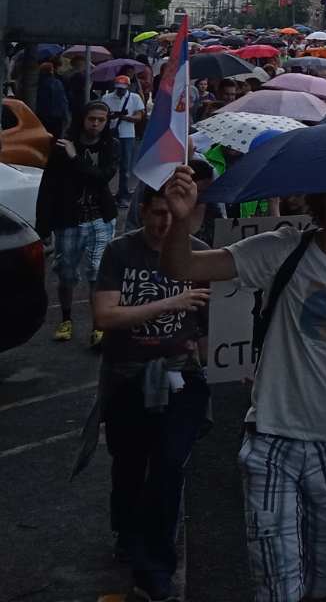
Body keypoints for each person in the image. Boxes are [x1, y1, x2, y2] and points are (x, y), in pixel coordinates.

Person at [159, 167, 326, 602]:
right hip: (272, 438)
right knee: (277, 584)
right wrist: (181, 220)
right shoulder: (282, 251)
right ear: (318, 199)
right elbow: (182, 265)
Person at [91, 177, 211, 602]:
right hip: (129, 377)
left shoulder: (197, 252)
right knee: (129, 463)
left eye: (172, 213)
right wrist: (168, 304)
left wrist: (215, 368)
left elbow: (209, 321)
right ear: (142, 211)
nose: (165, 222)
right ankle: (127, 530)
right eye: (157, 212)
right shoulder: (120, 252)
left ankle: (156, 564)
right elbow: (104, 316)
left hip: (182, 378)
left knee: (167, 465)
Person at [37, 99, 119, 345]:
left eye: (101, 120)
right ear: (82, 119)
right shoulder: (63, 147)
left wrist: (76, 159)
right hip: (69, 220)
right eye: (91, 119)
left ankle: (99, 325)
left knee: (97, 274)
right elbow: (48, 186)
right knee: (67, 273)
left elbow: (102, 177)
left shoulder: (109, 146)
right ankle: (66, 318)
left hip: (100, 218)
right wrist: (44, 225)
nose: (95, 124)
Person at [104, 74, 148, 216]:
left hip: (127, 135)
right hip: (111, 134)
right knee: (107, 164)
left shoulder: (134, 98)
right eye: (118, 88)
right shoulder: (107, 98)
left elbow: (139, 117)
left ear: (128, 87)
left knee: (125, 167)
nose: (120, 91)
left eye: (123, 88)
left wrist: (124, 117)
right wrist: (112, 116)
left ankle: (123, 195)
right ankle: (106, 194)